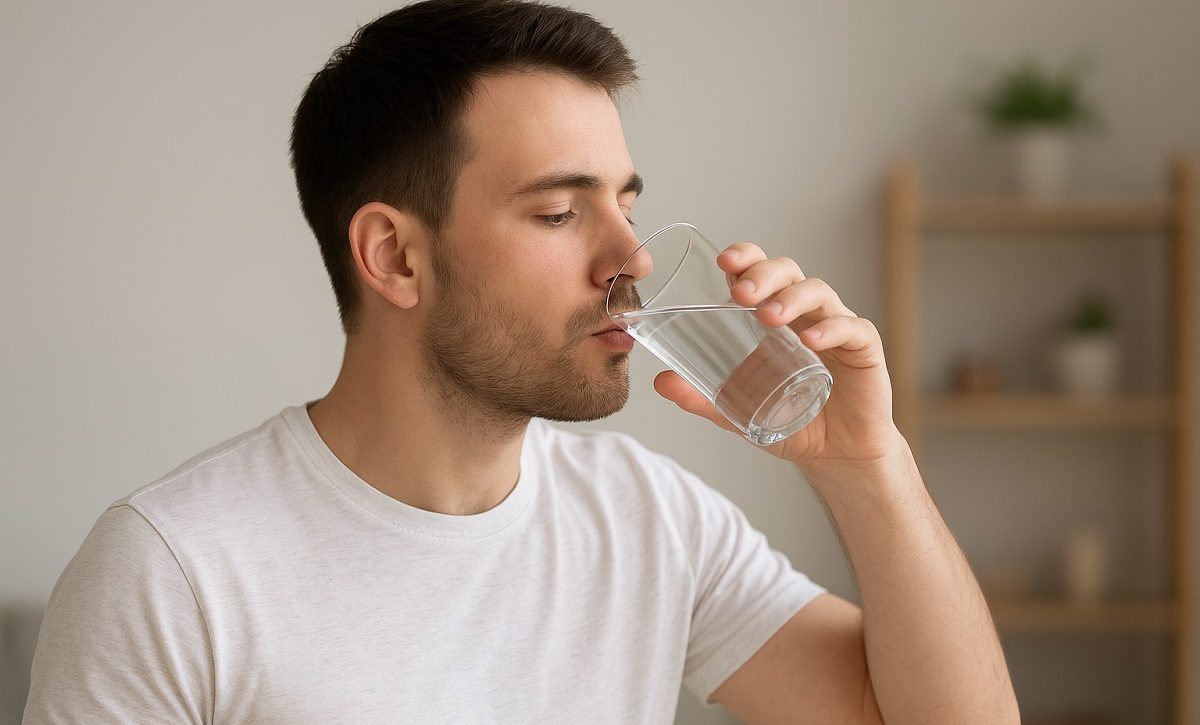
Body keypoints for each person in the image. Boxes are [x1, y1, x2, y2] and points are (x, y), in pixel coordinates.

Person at [24, 1, 1019, 722]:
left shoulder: (648, 517)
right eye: (558, 210)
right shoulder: (174, 567)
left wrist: (869, 468)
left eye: (626, 203)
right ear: (396, 255)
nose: (632, 261)